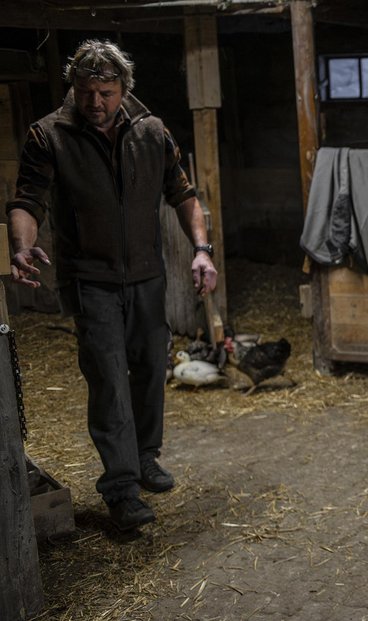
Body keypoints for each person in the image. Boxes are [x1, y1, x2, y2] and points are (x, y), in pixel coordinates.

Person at [5, 39, 218, 531]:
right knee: (108, 380)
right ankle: (121, 490)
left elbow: (183, 194)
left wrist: (202, 250)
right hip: (91, 279)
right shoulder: (49, 136)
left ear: (124, 88)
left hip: (147, 274)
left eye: (105, 91)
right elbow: (27, 202)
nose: (95, 102)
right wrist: (21, 245)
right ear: (73, 88)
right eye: (85, 91)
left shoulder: (152, 132)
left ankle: (145, 456)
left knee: (148, 369)